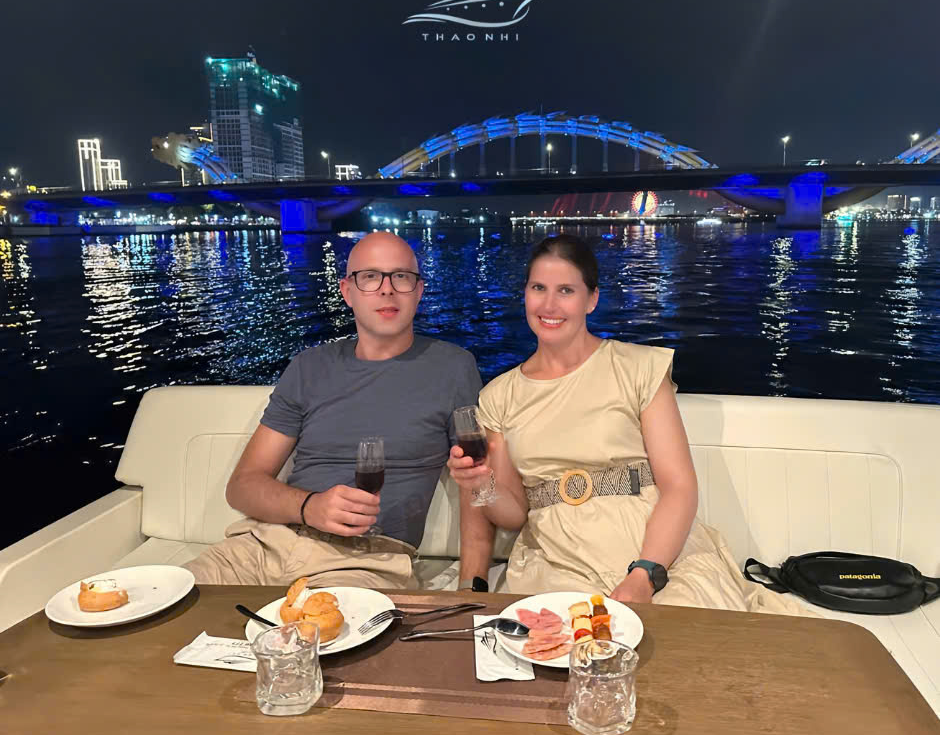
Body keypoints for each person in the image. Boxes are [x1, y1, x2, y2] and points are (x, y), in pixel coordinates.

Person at [451, 234, 808, 614]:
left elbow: (679, 486)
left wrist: (646, 572)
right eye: (539, 288)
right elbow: (513, 515)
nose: (549, 304)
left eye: (566, 290)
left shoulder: (638, 368)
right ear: (525, 293)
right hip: (556, 556)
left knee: (688, 633)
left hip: (653, 545)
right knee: (568, 638)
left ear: (591, 299)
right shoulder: (499, 396)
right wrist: (481, 485)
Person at [184, 231, 482, 589]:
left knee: (326, 624)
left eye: (401, 277)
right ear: (347, 291)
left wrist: (472, 587)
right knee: (162, 605)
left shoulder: (452, 368)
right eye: (370, 277)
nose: (387, 290)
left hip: (366, 559)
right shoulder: (308, 367)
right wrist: (310, 506)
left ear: (419, 291)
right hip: (262, 546)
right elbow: (242, 487)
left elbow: (478, 483)